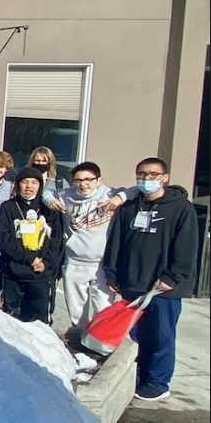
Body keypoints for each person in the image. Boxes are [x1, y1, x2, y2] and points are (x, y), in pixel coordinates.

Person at [102, 157, 199, 402]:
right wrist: (112, 273)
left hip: (163, 288)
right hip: (132, 283)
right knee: (137, 336)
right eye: (142, 174)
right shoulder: (130, 207)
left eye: (153, 174)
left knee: (161, 336)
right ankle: (140, 376)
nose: (147, 179)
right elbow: (116, 242)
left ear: (165, 177)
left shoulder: (181, 208)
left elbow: (187, 247)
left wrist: (172, 277)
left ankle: (157, 382)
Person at [0, 166, 64, 324]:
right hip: (14, 271)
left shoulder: (49, 210)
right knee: (10, 320)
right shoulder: (8, 207)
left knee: (40, 322)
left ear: (40, 185)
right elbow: (5, 239)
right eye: (25, 182)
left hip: (41, 274)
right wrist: (30, 259)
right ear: (17, 184)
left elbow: (56, 241)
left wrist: (46, 263)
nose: (29, 186)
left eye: (34, 182)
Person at [57, 161, 121, 328]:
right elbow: (46, 193)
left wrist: (119, 198)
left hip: (101, 263)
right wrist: (48, 198)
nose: (83, 184)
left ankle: (99, 344)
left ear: (98, 180)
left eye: (88, 179)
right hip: (75, 261)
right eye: (78, 180)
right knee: (76, 310)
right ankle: (78, 340)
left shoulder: (110, 193)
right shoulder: (65, 195)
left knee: (104, 308)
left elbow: (135, 190)